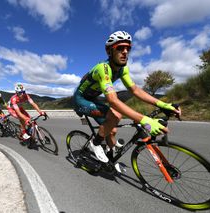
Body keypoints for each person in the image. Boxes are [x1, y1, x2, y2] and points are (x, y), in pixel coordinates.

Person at [73, 31, 181, 172]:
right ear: (109, 51)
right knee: (116, 116)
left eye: (128, 48)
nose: (125, 52)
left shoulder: (123, 69)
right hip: (81, 99)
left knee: (113, 129)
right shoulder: (103, 69)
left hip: (92, 98)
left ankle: (109, 158)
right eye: (120, 48)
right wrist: (144, 120)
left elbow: (135, 90)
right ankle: (96, 143)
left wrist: (163, 104)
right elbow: (112, 100)